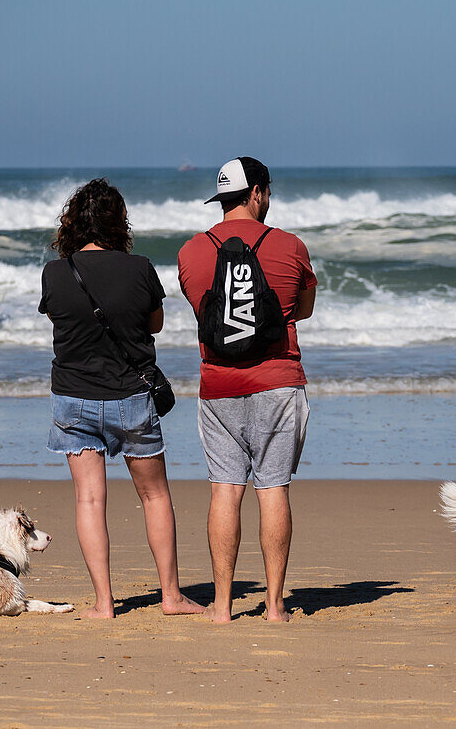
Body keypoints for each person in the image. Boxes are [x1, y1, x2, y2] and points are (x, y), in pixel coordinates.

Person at [39, 178, 204, 619]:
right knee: (154, 497)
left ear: (72, 223)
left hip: (72, 397)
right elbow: (155, 325)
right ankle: (170, 597)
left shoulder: (56, 272)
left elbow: (61, 322)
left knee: (89, 501)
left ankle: (104, 603)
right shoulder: (140, 268)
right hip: (131, 395)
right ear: (119, 223)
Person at [177, 157, 317, 623]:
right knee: (273, 489)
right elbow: (305, 308)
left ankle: (221, 607)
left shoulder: (190, 253)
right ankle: (275, 607)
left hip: (217, 385)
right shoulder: (290, 246)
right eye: (268, 191)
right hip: (278, 383)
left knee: (225, 491)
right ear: (257, 192)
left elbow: (205, 312)